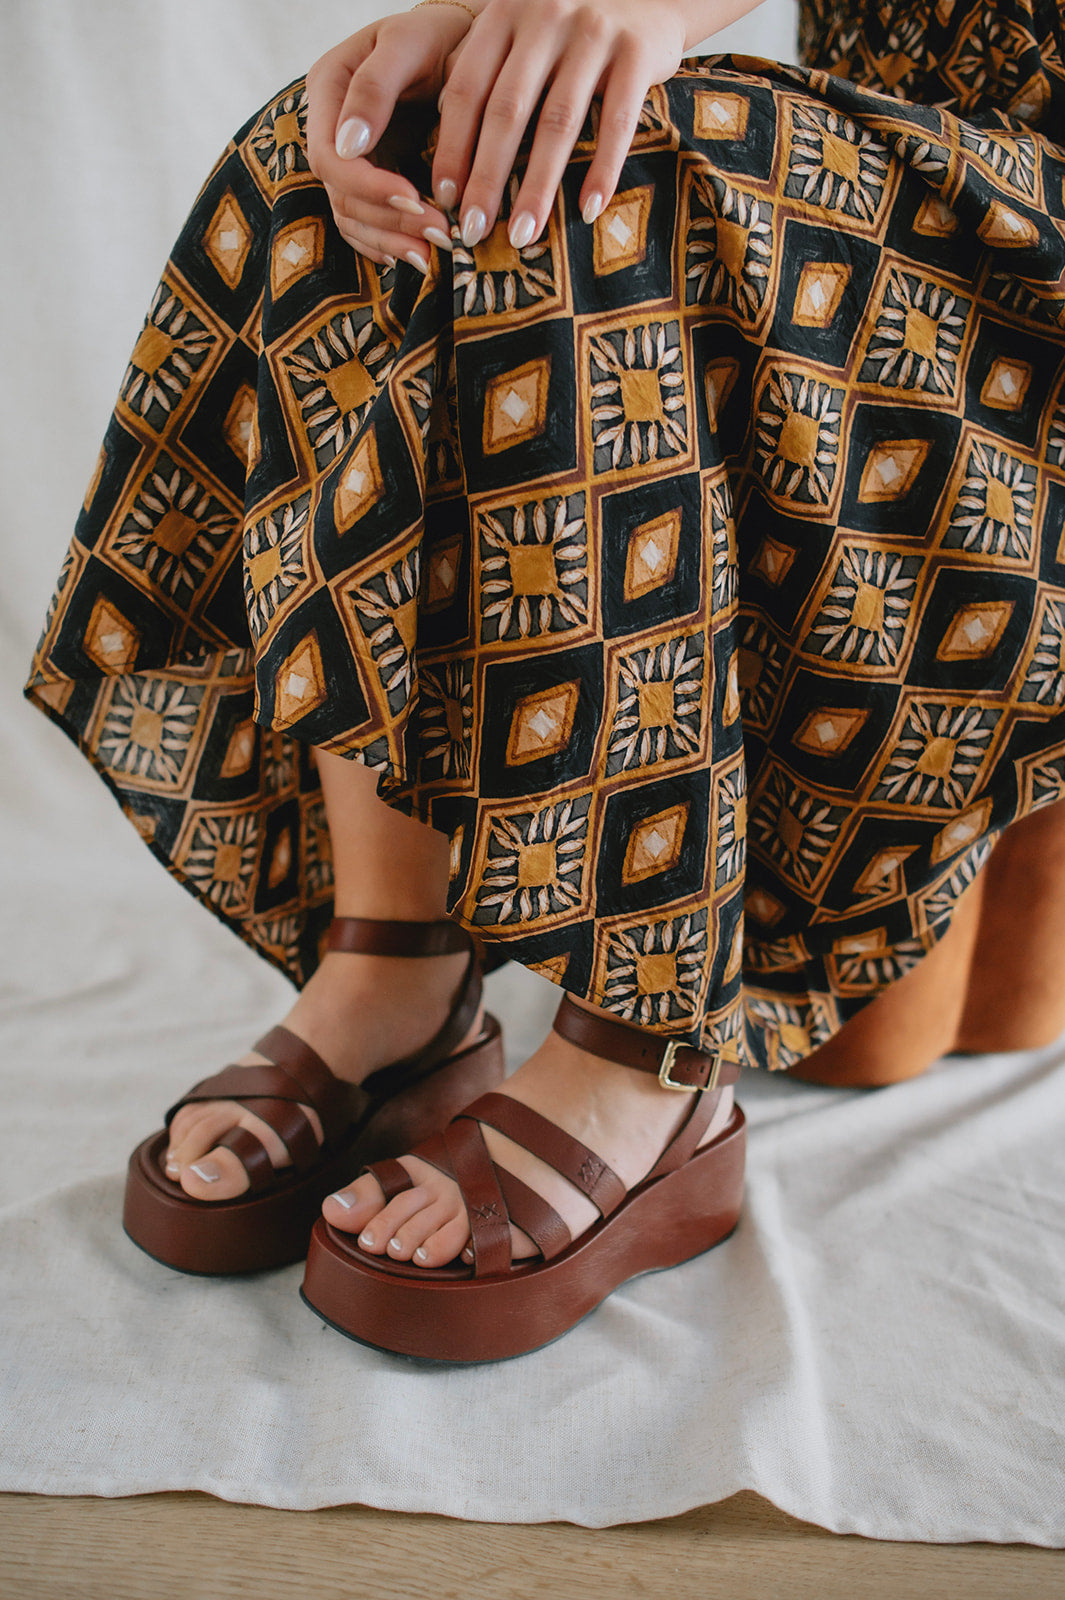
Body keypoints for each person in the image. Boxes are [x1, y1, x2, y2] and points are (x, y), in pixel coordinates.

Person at [25, 0, 1065, 1360]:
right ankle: (393, 963)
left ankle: (647, 1049)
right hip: (912, 155)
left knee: (598, 183)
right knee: (376, 155)